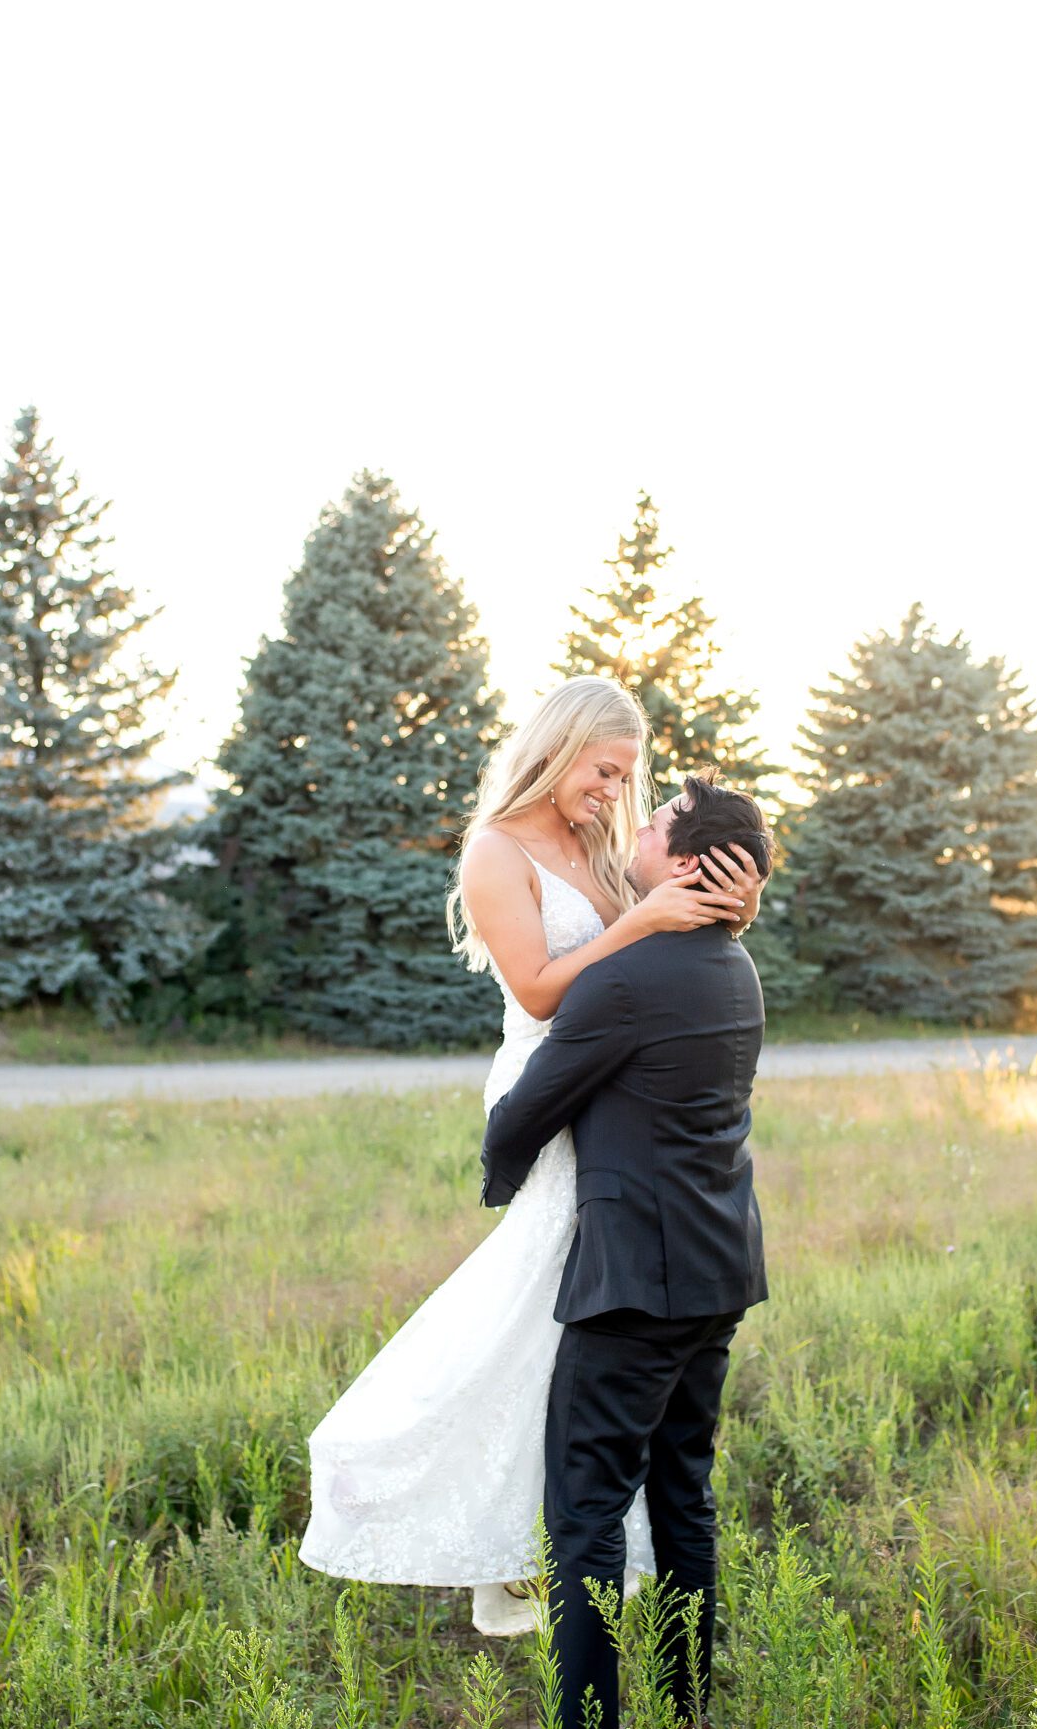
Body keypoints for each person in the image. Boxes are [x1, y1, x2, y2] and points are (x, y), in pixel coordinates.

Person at [298, 676, 763, 1632]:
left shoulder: (602, 842)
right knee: (533, 1325)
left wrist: (732, 907)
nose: (613, 791)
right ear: (558, 748)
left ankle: (567, 1534)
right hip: (550, 1086)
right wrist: (638, 925)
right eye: (603, 769)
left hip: (615, 1089)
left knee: (579, 1332)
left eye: (627, 776)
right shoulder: (492, 852)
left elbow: (674, 932)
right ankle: (493, 1516)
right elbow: (546, 993)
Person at [479, 771, 773, 1729]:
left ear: (687, 865)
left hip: (632, 1286)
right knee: (683, 1497)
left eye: (658, 821)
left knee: (587, 1513)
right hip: (720, 1268)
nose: (638, 819)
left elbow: (529, 1109)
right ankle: (690, 1722)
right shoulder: (737, 969)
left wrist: (498, 1165)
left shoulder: (625, 977)